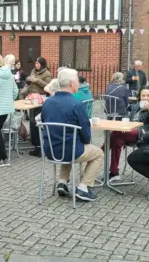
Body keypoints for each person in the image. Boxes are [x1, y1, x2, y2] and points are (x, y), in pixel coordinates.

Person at [41, 69, 103, 202]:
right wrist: (85, 141)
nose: (78, 84)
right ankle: (83, 187)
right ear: (72, 83)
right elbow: (86, 135)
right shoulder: (76, 104)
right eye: (76, 81)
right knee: (98, 153)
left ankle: (62, 182)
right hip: (70, 151)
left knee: (68, 142)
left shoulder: (47, 103)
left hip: (50, 150)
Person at [107, 87, 149, 182]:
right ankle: (114, 172)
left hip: (142, 134)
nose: (145, 98)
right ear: (139, 97)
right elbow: (126, 117)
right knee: (117, 140)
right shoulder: (135, 107)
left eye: (148, 95)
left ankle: (102, 151)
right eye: (143, 95)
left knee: (116, 133)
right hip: (128, 132)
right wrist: (126, 123)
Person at [23, 57, 52, 157]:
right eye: (35, 63)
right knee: (31, 121)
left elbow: (48, 86)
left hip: (41, 99)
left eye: (38, 63)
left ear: (42, 64)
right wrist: (29, 80)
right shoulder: (33, 71)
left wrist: (37, 80)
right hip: (31, 98)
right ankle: (35, 144)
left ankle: (39, 146)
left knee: (36, 121)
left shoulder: (47, 74)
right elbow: (30, 79)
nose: (36, 65)